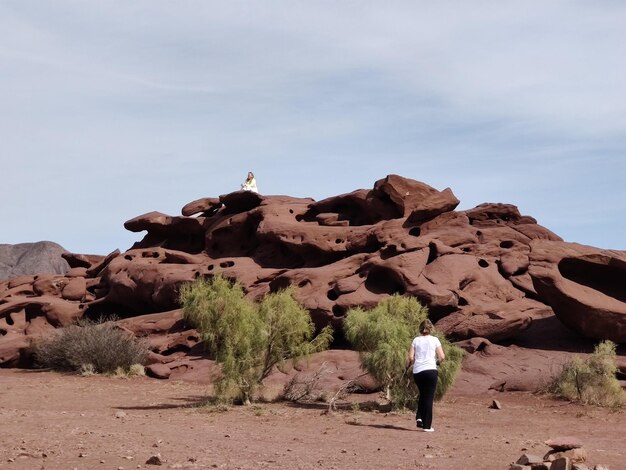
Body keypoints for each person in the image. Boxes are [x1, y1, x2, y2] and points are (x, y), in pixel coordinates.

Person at [407, 319, 445, 432]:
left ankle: (419, 418)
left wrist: (410, 365)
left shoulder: (416, 340)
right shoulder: (435, 340)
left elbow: (410, 357)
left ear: (420, 329)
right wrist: (436, 363)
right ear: (431, 328)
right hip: (430, 370)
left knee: (423, 395)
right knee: (428, 397)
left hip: (418, 372)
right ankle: (427, 426)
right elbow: (442, 356)